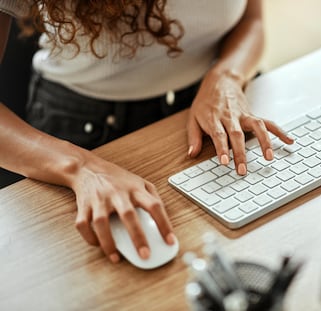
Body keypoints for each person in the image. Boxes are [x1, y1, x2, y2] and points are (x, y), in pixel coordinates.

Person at [0, 0, 293, 264]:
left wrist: (227, 76)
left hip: (214, 102)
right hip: (85, 131)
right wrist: (82, 168)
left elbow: (251, 18)